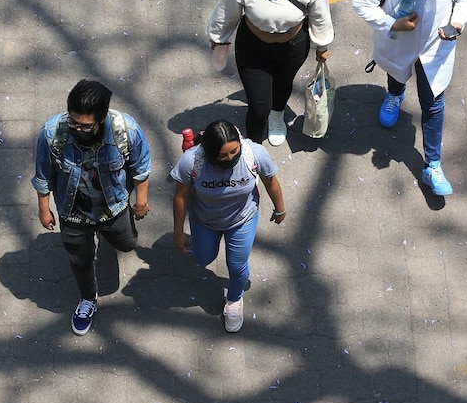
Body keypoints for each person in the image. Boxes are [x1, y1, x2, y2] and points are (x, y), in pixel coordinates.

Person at [352, 0, 467, 195]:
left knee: (433, 103)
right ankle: (395, 95)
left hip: (435, 48)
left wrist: (458, 22)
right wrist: (391, 24)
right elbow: (361, 4)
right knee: (397, 75)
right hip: (399, 42)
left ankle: (432, 165)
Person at [32, 79, 151, 335]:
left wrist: (140, 201)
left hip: (114, 206)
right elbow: (43, 174)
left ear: (102, 119)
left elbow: (141, 168)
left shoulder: (126, 130)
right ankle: (87, 299)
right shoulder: (53, 133)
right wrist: (44, 208)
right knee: (80, 259)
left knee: (127, 243)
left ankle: (107, 237)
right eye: (73, 121)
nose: (77, 129)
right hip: (72, 211)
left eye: (85, 126)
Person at [207, 0, 334, 146]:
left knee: (284, 83)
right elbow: (226, 12)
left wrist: (322, 45)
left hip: (293, 46)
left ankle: (277, 115)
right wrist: (218, 38)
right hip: (253, 47)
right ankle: (254, 146)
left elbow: (320, 15)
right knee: (258, 108)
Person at [170, 120, 286, 332]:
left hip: (242, 219)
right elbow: (180, 196)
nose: (230, 158)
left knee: (237, 264)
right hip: (204, 220)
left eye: (234, 152)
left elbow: (271, 182)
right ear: (208, 152)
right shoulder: (191, 161)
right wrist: (178, 232)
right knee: (203, 258)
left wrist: (280, 209)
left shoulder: (255, 154)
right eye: (222, 156)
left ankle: (234, 300)